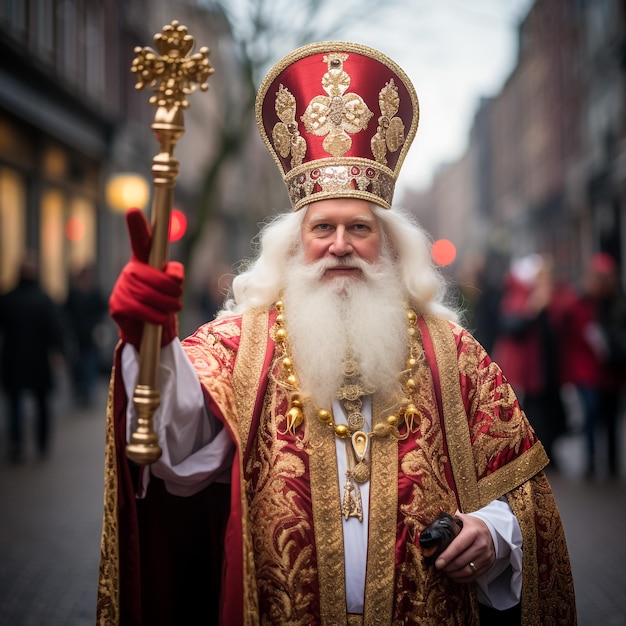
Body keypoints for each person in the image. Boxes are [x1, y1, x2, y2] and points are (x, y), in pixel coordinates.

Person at [97, 42, 576, 625]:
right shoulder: (241, 345)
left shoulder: (454, 355)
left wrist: (493, 534)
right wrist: (151, 341)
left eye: (360, 228)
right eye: (323, 226)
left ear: (390, 245)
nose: (341, 245)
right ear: (296, 245)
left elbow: (523, 497)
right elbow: (170, 441)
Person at [491, 254, 572, 469]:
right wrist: (533, 308)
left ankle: (550, 452)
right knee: (535, 413)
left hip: (549, 367)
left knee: (552, 412)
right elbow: (511, 327)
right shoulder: (519, 299)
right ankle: (538, 454)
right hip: (530, 370)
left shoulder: (554, 297)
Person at [561, 252, 626, 478]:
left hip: (611, 371)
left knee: (610, 417)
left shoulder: (617, 303)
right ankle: (590, 461)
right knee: (590, 413)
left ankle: (611, 464)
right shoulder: (578, 303)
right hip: (586, 369)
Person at [0, 253, 65, 462]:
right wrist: (58, 353)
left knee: (17, 404)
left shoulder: (9, 298)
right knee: (40, 403)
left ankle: (17, 444)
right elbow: (55, 329)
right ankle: (41, 443)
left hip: (14, 359)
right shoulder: (43, 299)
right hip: (37, 360)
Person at [64, 265, 108, 407]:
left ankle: (87, 394)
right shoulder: (74, 294)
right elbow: (66, 314)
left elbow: (103, 310)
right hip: (76, 337)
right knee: (76, 367)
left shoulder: (94, 294)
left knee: (89, 365)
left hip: (90, 338)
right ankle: (79, 392)